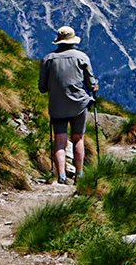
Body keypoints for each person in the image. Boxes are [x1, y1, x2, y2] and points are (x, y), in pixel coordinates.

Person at [38, 26, 98, 184]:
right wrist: (93, 87)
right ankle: (79, 174)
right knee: (78, 138)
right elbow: (91, 84)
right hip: (78, 104)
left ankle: (61, 176)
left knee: (59, 141)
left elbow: (42, 88)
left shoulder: (48, 59)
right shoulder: (81, 57)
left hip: (57, 106)